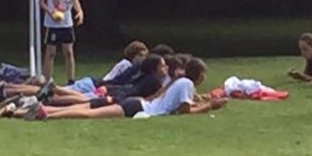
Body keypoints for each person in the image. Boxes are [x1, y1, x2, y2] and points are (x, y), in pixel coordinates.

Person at [19, 58, 225, 121]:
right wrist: (210, 107)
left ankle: (44, 110)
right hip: (137, 107)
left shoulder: (181, 82)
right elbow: (184, 110)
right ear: (198, 75)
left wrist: (206, 102)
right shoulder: (186, 83)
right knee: (89, 113)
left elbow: (183, 105)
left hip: (137, 104)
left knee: (87, 109)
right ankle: (46, 113)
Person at [39, 0, 84, 84]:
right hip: (52, 23)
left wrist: (79, 11)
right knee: (51, 52)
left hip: (66, 22)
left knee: (69, 52)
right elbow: (41, 1)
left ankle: (70, 80)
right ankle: (47, 81)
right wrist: (51, 12)